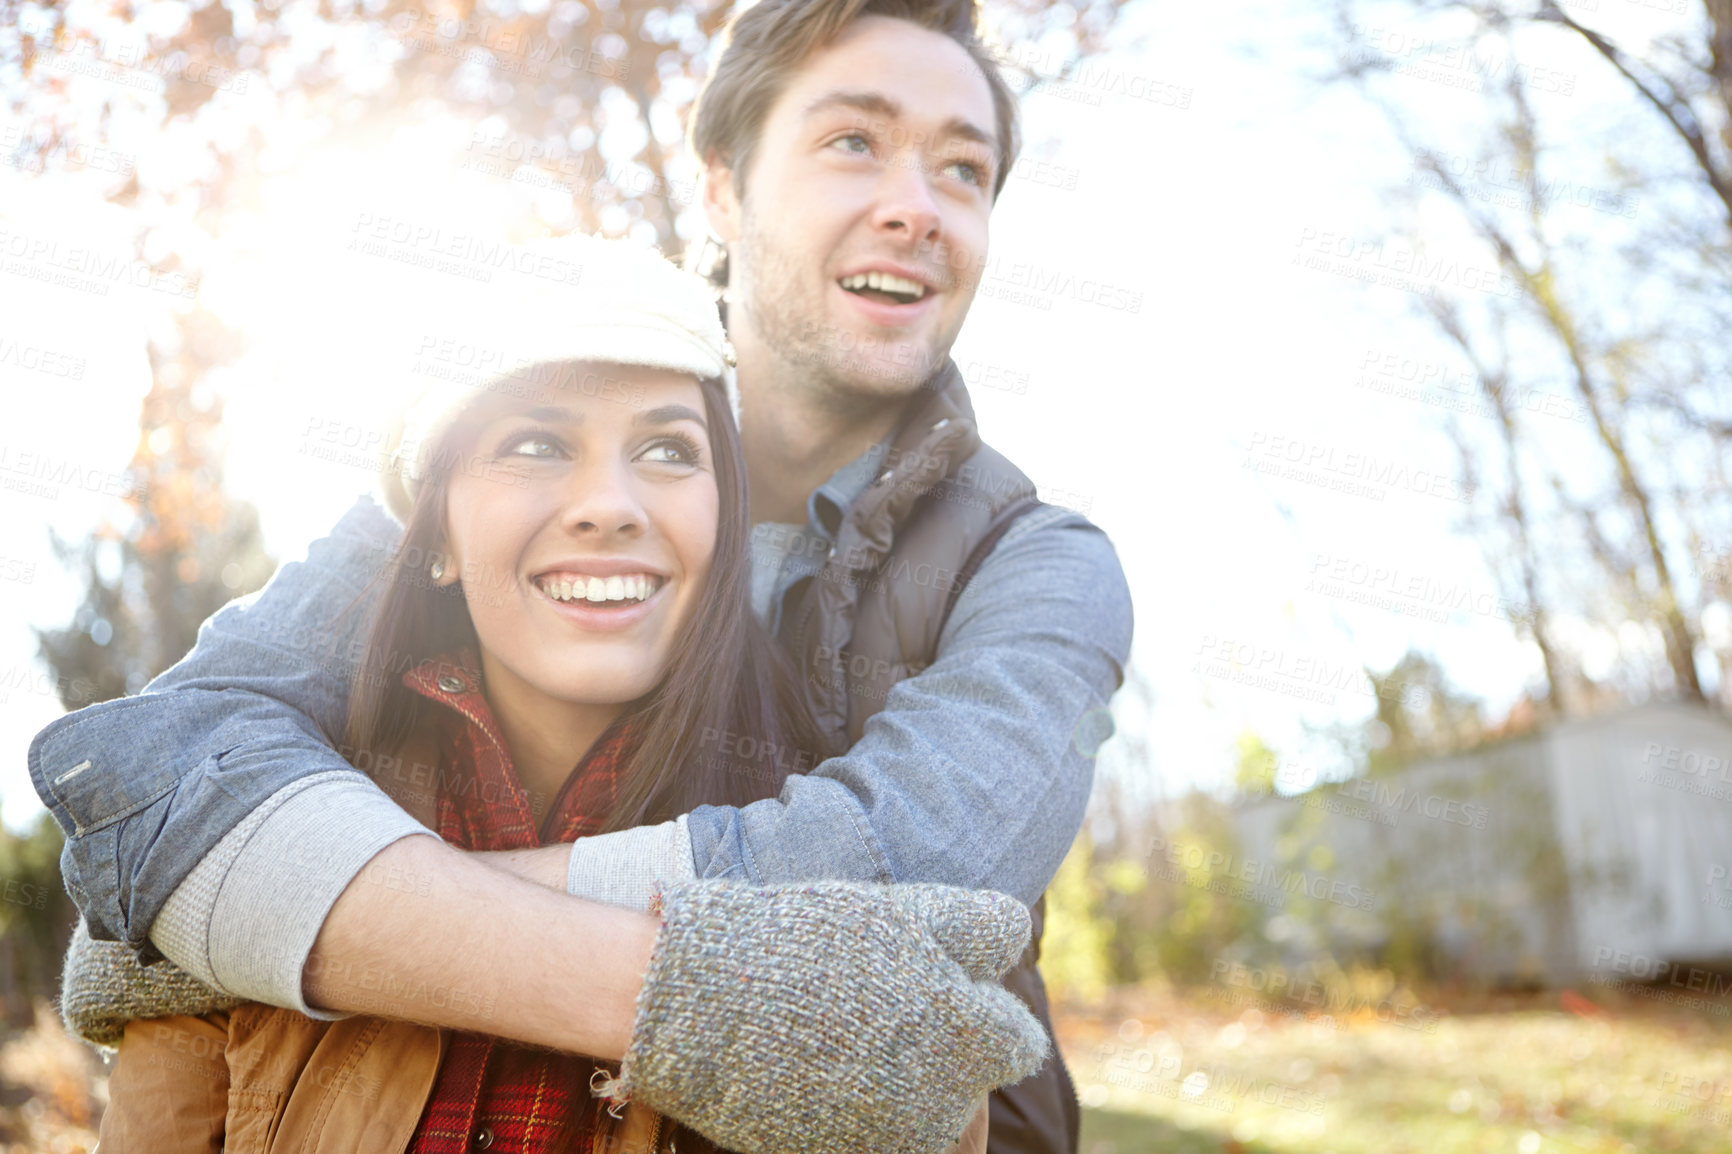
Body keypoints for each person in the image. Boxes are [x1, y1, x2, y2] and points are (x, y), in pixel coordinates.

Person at [31, 0, 1135, 1149]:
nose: (916, 206)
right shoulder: (481, 428)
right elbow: (158, 768)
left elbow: (906, 882)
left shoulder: (1042, 566)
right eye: (853, 140)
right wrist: (216, 893)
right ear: (721, 187)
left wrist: (298, 902)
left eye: (965, 168)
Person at [75, 237, 1026, 1154]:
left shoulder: (846, 894)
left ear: (724, 522)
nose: (609, 503)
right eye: (534, 444)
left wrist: (272, 916)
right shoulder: (240, 835)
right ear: (436, 536)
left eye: (666, 451)